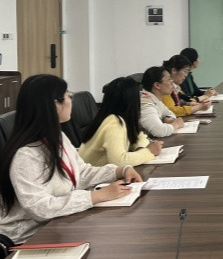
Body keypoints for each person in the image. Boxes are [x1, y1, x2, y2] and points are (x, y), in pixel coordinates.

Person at [0, 74, 142, 245]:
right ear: (55, 105)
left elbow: (81, 173)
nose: (71, 99)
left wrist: (119, 171)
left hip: (59, 223)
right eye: (68, 95)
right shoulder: (26, 155)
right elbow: (40, 208)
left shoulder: (56, 136)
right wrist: (96, 196)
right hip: (28, 238)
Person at [79, 77, 163, 167]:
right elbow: (119, 161)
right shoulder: (114, 123)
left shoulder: (115, 117)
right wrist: (149, 151)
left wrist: (140, 148)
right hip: (92, 174)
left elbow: (139, 136)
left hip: (101, 172)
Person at [139, 66, 185, 137]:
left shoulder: (154, 99)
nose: (172, 83)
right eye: (169, 79)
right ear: (157, 85)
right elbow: (159, 131)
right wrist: (176, 124)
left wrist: (166, 119)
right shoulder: (146, 104)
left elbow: (170, 113)